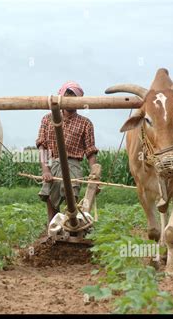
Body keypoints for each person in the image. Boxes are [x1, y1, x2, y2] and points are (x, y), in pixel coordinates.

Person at [36, 81, 98, 224]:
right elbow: (42, 146)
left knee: (72, 200)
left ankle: (70, 228)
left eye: (74, 98)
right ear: (61, 98)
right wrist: (46, 169)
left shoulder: (85, 123)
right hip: (53, 163)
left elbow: (90, 152)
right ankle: (52, 229)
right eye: (67, 97)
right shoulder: (47, 119)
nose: (70, 101)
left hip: (73, 165)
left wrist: (94, 177)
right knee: (51, 199)